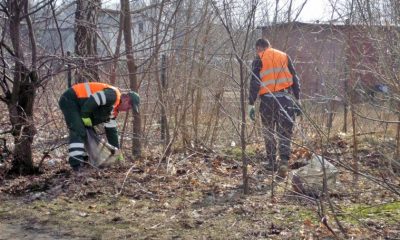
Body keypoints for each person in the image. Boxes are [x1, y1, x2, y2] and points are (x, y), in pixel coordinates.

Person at [248, 38, 301, 178]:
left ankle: (271, 162)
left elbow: (254, 82)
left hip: (267, 101)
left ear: (258, 48)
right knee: (285, 132)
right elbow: (295, 78)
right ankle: (283, 162)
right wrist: (298, 100)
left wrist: (251, 104)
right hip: (286, 100)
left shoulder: (258, 58)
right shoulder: (284, 56)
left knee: (268, 131)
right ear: (269, 46)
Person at [59, 82, 140, 171]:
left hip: (80, 106)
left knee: (88, 133)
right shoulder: (113, 95)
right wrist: (85, 116)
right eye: (129, 107)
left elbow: (112, 132)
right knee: (79, 130)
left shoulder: (113, 111)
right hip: (71, 99)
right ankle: (76, 165)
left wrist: (117, 153)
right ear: (126, 99)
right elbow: (94, 99)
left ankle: (85, 161)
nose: (127, 110)